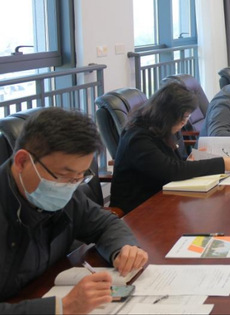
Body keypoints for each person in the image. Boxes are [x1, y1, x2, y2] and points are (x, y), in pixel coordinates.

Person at [0, 108, 148, 314]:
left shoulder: (66, 195)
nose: (70, 187)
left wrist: (122, 248)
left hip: (41, 289)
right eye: (64, 175)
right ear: (22, 161)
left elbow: (104, 223)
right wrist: (61, 307)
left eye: (79, 177)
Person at [110, 82, 230, 215]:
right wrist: (221, 163)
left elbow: (171, 163)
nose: (184, 123)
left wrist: (189, 160)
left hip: (164, 197)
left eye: (187, 117)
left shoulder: (162, 126)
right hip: (138, 209)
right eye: (184, 117)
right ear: (168, 113)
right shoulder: (137, 137)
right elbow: (172, 170)